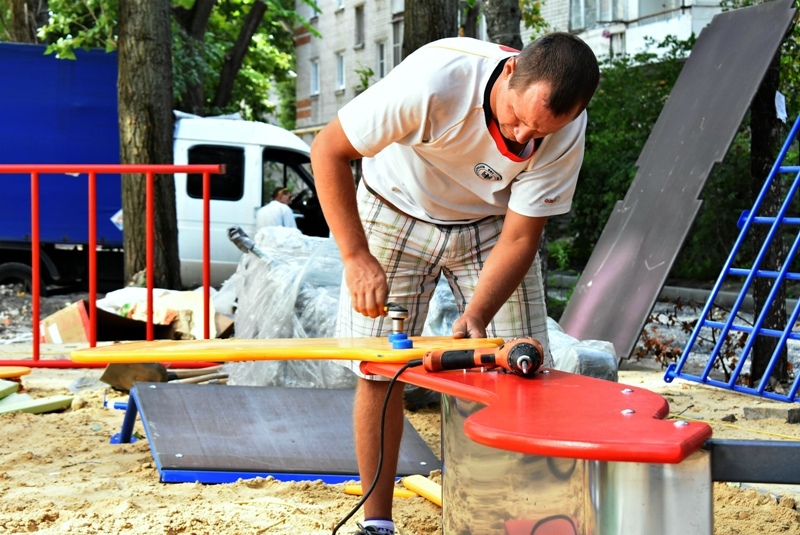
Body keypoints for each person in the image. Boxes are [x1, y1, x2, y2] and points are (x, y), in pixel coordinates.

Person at [310, 32, 599, 535]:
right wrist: (356, 257)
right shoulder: (435, 78)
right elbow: (327, 150)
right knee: (380, 368)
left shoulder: (566, 128)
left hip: (492, 225)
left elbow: (520, 235)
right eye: (517, 120)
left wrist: (479, 311)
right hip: (395, 204)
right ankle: (376, 522)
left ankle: (520, 518)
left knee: (523, 360)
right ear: (510, 72)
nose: (524, 138)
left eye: (541, 131)